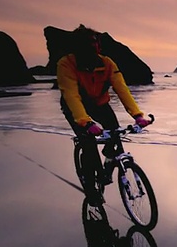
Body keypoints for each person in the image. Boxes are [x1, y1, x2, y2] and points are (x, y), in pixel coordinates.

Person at [58, 25, 151, 206]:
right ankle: (91, 189)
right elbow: (71, 95)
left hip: (100, 104)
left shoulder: (107, 63)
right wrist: (85, 122)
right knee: (89, 144)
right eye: (87, 45)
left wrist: (138, 115)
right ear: (78, 48)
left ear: (99, 46)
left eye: (94, 43)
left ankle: (109, 157)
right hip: (75, 108)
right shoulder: (66, 64)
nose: (92, 48)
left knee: (115, 136)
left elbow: (121, 89)